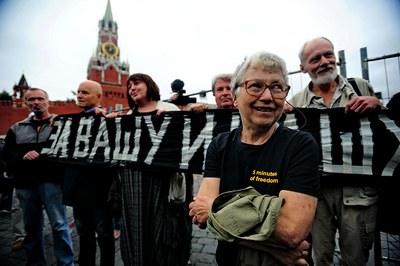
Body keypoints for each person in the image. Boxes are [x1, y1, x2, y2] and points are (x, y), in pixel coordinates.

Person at [189, 51, 320, 265]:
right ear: (235, 96)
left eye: (277, 87)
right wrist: (273, 246)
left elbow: (291, 230)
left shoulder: (301, 145)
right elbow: (202, 216)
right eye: (256, 86)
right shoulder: (219, 145)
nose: (268, 97)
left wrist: (217, 206)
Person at [287, 36, 383, 265]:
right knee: (320, 256)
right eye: (315, 58)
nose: (324, 61)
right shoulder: (296, 102)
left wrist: (378, 105)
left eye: (328, 54)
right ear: (303, 68)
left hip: (358, 193)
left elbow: (387, 131)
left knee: (356, 258)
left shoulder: (360, 86)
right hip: (317, 196)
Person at [106, 73, 192, 266]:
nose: (132, 88)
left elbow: (185, 141)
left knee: (161, 232)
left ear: (149, 85)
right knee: (136, 232)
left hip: (161, 184)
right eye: (129, 86)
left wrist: (172, 120)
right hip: (132, 186)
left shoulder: (168, 108)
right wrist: (109, 125)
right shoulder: (127, 115)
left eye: (137, 83)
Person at [2, 88, 74, 265]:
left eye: (40, 99)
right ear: (25, 103)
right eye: (31, 99)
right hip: (25, 185)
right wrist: (22, 156)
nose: (36, 102)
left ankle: (66, 263)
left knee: (59, 225)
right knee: (32, 228)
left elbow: (70, 151)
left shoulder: (60, 125)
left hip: (52, 183)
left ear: (48, 102)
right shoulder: (16, 129)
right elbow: (7, 156)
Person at [63, 80, 115, 266]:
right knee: (84, 235)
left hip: (100, 192)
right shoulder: (70, 123)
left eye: (85, 92)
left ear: (99, 97)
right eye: (78, 91)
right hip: (78, 191)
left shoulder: (109, 120)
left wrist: (103, 115)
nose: (79, 95)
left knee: (104, 235)